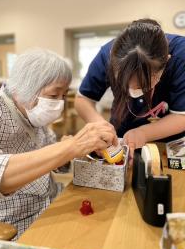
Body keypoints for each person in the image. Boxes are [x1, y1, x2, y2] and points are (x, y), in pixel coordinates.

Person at [0, 48, 117, 239]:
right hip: (10, 220)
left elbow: (54, 161)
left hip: (49, 201)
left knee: (108, 220)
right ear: (27, 87)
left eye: (64, 95)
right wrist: (70, 147)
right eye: (53, 96)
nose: (59, 103)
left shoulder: (34, 116)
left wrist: (74, 152)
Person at [74, 19, 185, 158]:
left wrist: (144, 133)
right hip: (122, 133)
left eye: (141, 85)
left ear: (166, 62)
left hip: (170, 141)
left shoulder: (181, 56)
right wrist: (101, 126)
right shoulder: (106, 54)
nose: (131, 89)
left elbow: (182, 116)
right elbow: (83, 99)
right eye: (123, 81)